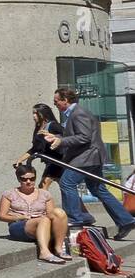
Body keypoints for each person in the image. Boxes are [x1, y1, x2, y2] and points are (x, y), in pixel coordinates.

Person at [43, 86, 135, 239]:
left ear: (65, 101)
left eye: (56, 102)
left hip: (86, 157)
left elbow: (84, 137)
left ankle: (75, 218)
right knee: (98, 189)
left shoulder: (78, 114)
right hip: (90, 157)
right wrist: (56, 137)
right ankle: (125, 220)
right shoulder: (74, 113)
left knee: (67, 183)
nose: (55, 105)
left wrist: (61, 141)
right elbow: (79, 135)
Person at [0, 165, 69, 264]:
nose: (28, 182)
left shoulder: (45, 194)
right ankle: (44, 252)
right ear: (18, 179)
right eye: (24, 179)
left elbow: (51, 214)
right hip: (19, 225)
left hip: (42, 223)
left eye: (32, 178)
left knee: (59, 212)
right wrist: (19, 217)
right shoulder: (9, 194)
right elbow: (2, 216)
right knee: (43, 219)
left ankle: (58, 248)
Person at [14, 103, 63, 191]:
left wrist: (52, 136)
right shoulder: (38, 128)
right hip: (50, 162)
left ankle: (45, 204)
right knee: (66, 188)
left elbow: (67, 137)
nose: (33, 116)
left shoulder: (53, 125)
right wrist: (20, 159)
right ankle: (78, 205)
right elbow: (35, 148)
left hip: (58, 161)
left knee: (43, 187)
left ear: (43, 114)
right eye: (33, 113)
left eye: (36, 113)